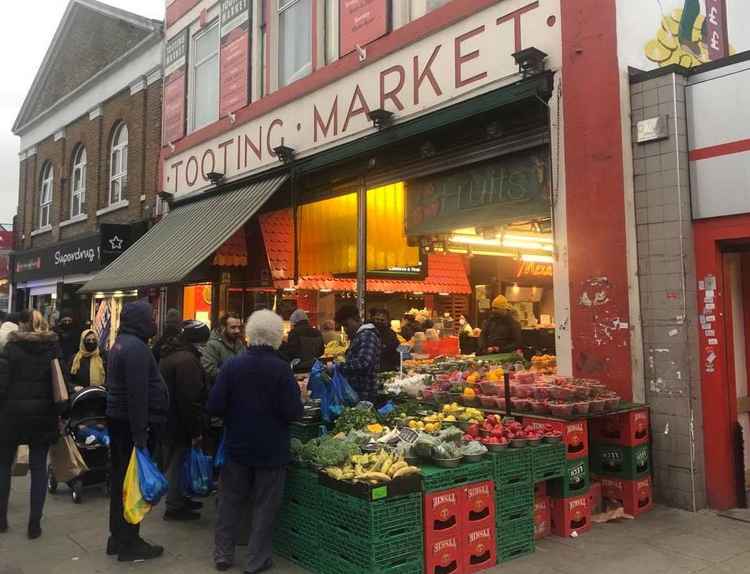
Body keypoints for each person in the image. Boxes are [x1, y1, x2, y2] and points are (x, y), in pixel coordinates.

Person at [208, 310, 303, 573]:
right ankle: (256, 560)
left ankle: (223, 554)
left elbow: (214, 405)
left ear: (249, 334)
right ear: (276, 337)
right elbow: (294, 412)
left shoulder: (232, 365)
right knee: (265, 506)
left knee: (229, 501)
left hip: (237, 446)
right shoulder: (281, 369)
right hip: (271, 450)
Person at [105, 299, 168, 562]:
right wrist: (141, 436)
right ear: (140, 321)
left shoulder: (121, 344)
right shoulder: (137, 349)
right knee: (133, 485)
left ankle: (117, 538)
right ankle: (130, 542)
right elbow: (137, 395)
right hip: (132, 428)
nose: (154, 322)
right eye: (151, 317)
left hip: (119, 423)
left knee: (121, 482)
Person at [0, 310, 60, 539]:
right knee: (38, 469)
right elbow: (60, 383)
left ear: (23, 326)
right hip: (42, 415)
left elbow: (1, 385)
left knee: (4, 466)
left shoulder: (10, 348)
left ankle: (1, 519)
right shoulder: (51, 349)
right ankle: (34, 524)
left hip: (11, 416)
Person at [159, 320, 210, 522]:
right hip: (178, 421)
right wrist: (196, 429)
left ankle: (180, 498)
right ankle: (174, 505)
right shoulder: (186, 361)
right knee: (177, 463)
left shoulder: (171, 354)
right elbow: (190, 399)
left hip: (168, 418)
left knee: (176, 461)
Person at [334, 305, 381, 403]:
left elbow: (364, 362)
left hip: (364, 393)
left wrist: (338, 366)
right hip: (358, 392)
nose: (345, 329)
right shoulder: (359, 336)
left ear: (356, 319)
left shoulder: (367, 335)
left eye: (346, 325)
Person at [202, 313, 244, 388]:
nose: (237, 331)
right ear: (223, 327)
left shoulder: (239, 344)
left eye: (239, 327)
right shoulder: (212, 345)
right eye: (233, 327)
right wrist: (233, 377)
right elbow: (209, 370)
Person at [370, 308, 400, 372]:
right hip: (372, 370)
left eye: (382, 320)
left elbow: (397, 351)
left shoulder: (391, 334)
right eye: (377, 319)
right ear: (373, 319)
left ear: (387, 321)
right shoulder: (369, 332)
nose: (379, 322)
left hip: (387, 369)